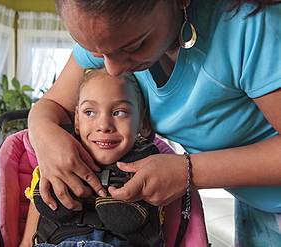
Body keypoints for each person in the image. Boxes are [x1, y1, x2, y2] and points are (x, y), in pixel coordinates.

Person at [27, 0, 281, 246]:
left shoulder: (249, 28)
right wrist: (44, 135)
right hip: (253, 203)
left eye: (134, 46)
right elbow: (52, 106)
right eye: (95, 52)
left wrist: (188, 172)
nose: (112, 68)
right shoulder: (105, 33)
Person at [20, 67, 165, 246]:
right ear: (77, 121)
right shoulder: (52, 166)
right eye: (90, 112)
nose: (103, 125)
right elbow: (28, 241)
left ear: (143, 123)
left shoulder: (155, 170)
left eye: (119, 112)